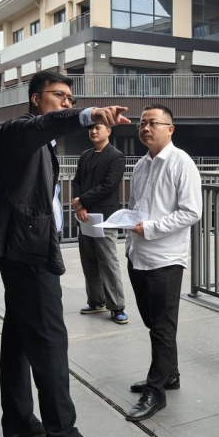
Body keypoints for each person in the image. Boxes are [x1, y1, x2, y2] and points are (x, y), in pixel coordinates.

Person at [0, 70, 129, 437]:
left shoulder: (42, 143)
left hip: (24, 247)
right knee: (50, 341)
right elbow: (46, 124)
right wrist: (89, 114)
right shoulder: (18, 130)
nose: (67, 102)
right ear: (36, 98)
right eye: (59, 95)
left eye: (71, 98)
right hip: (28, 250)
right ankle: (63, 436)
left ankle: (18, 421)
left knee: (18, 338)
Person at [124, 104, 202, 422]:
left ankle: (155, 391)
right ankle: (170, 375)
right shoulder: (141, 164)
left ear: (170, 129)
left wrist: (152, 228)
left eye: (152, 123)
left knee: (163, 327)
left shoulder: (181, 162)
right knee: (154, 323)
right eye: (141, 123)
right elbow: (136, 207)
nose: (145, 128)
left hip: (165, 259)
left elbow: (191, 211)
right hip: (138, 255)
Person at [71, 122, 128, 324]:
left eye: (98, 128)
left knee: (108, 262)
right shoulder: (85, 155)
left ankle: (117, 306)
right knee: (89, 261)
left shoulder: (116, 156)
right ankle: (96, 301)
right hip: (85, 216)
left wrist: (82, 201)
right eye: (91, 128)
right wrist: (79, 205)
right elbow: (76, 181)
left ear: (108, 131)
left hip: (105, 217)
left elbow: (109, 186)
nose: (93, 131)